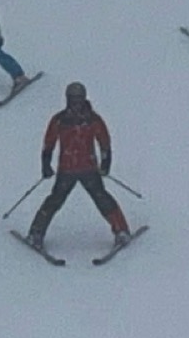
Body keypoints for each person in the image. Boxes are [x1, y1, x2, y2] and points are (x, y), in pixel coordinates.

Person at [27, 82, 131, 252]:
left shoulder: (92, 120)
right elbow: (49, 143)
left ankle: (121, 231)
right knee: (54, 200)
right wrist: (46, 164)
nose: (75, 103)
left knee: (102, 199)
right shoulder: (60, 120)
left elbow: (104, 142)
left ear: (84, 99)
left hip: (88, 168)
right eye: (72, 99)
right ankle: (36, 233)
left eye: (78, 99)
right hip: (66, 169)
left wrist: (106, 163)